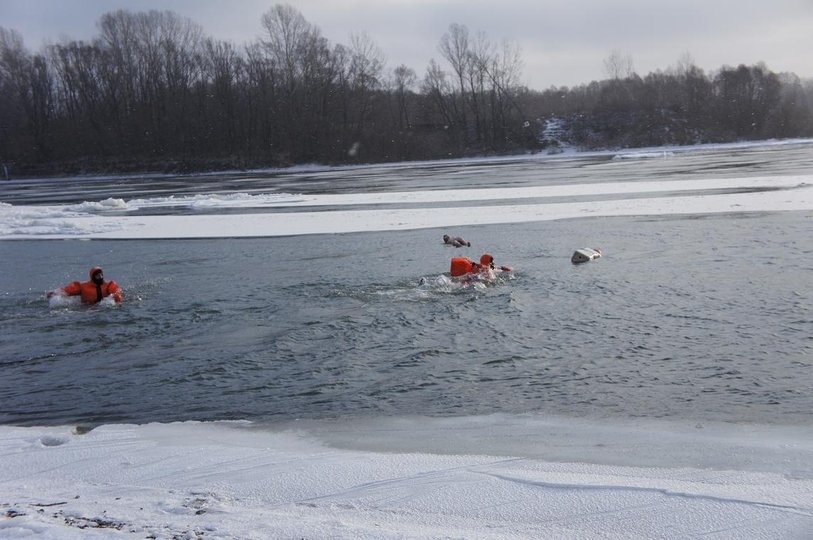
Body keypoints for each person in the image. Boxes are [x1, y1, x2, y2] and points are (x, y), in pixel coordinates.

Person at [47, 267, 122, 304]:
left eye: (101, 275)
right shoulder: (83, 286)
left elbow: (116, 291)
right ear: (93, 277)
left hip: (104, 308)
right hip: (87, 308)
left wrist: (116, 296)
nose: (101, 277)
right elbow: (67, 290)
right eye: (98, 276)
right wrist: (54, 292)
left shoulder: (109, 284)